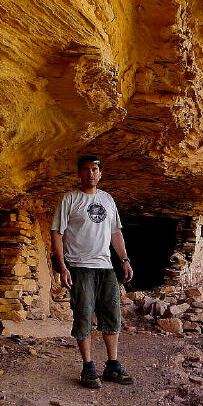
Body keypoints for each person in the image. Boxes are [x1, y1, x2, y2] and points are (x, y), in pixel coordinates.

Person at [50, 155, 136, 389]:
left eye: (95, 169)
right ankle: (88, 367)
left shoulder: (107, 199)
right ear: (80, 173)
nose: (91, 173)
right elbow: (57, 233)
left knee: (112, 315)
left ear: (101, 174)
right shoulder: (69, 199)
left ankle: (112, 365)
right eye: (86, 169)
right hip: (79, 266)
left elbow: (115, 233)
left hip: (106, 266)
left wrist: (125, 260)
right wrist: (62, 266)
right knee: (84, 315)